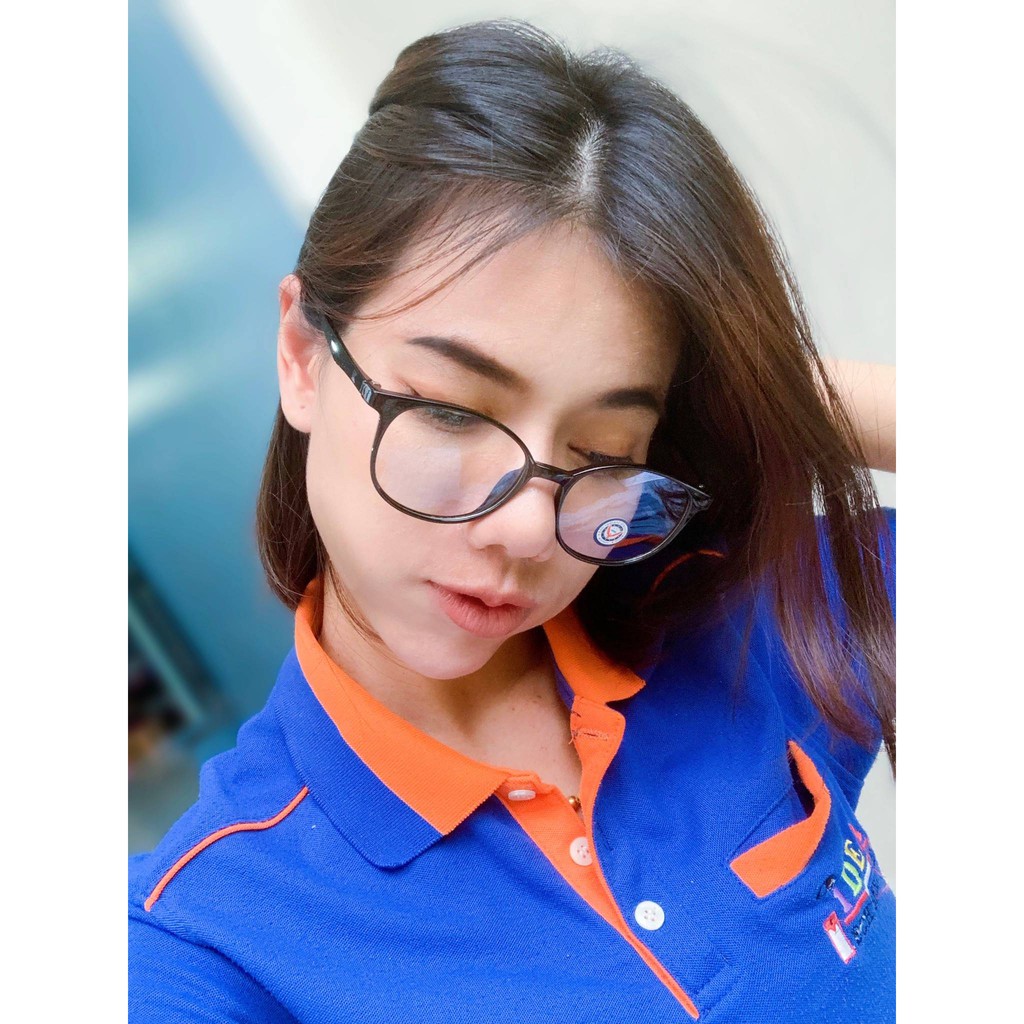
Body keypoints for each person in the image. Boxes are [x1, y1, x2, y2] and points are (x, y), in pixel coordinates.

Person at [129, 18, 896, 1023]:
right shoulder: (203, 937)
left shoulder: (751, 617)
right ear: (303, 356)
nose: (531, 531)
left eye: (601, 451)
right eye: (451, 412)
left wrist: (763, 397)